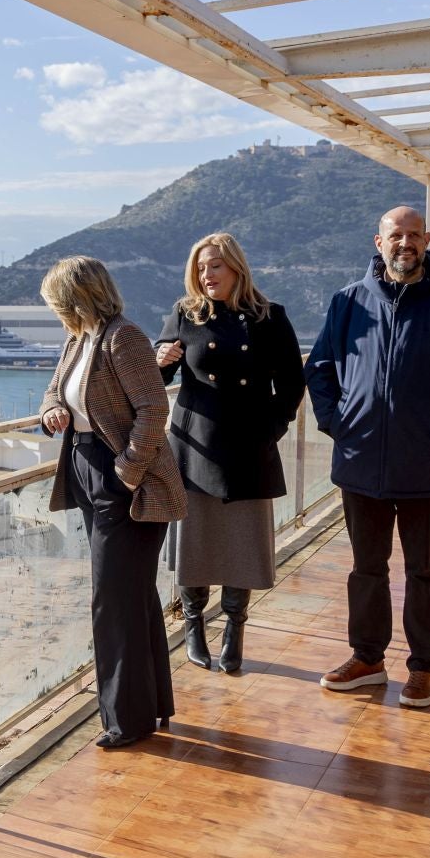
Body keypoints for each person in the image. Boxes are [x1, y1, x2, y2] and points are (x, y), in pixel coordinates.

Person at [306, 207, 430, 708]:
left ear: (427, 240)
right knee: (366, 569)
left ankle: (422, 668)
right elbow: (321, 369)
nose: (405, 243)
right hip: (360, 462)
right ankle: (367, 659)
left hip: (429, 466)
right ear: (379, 242)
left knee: (426, 572)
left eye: (414, 235)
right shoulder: (349, 302)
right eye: (396, 235)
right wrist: (337, 423)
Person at [40, 256, 187, 749]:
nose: (56, 311)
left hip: (123, 478)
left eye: (57, 302)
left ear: (75, 297)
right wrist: (54, 409)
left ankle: (125, 720)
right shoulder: (78, 338)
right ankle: (149, 707)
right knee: (132, 597)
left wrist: (126, 471)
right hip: (86, 469)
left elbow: (153, 408)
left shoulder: (123, 337)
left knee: (113, 601)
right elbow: (52, 391)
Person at [155, 233, 305, 674]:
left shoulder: (269, 317)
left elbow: (293, 383)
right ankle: (196, 627)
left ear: (236, 267)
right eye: (201, 268)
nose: (207, 275)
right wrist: (161, 359)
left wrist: (272, 430)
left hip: (249, 445)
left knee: (243, 542)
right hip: (195, 445)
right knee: (195, 541)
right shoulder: (186, 314)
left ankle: (235, 628)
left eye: (215, 266)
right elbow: (157, 381)